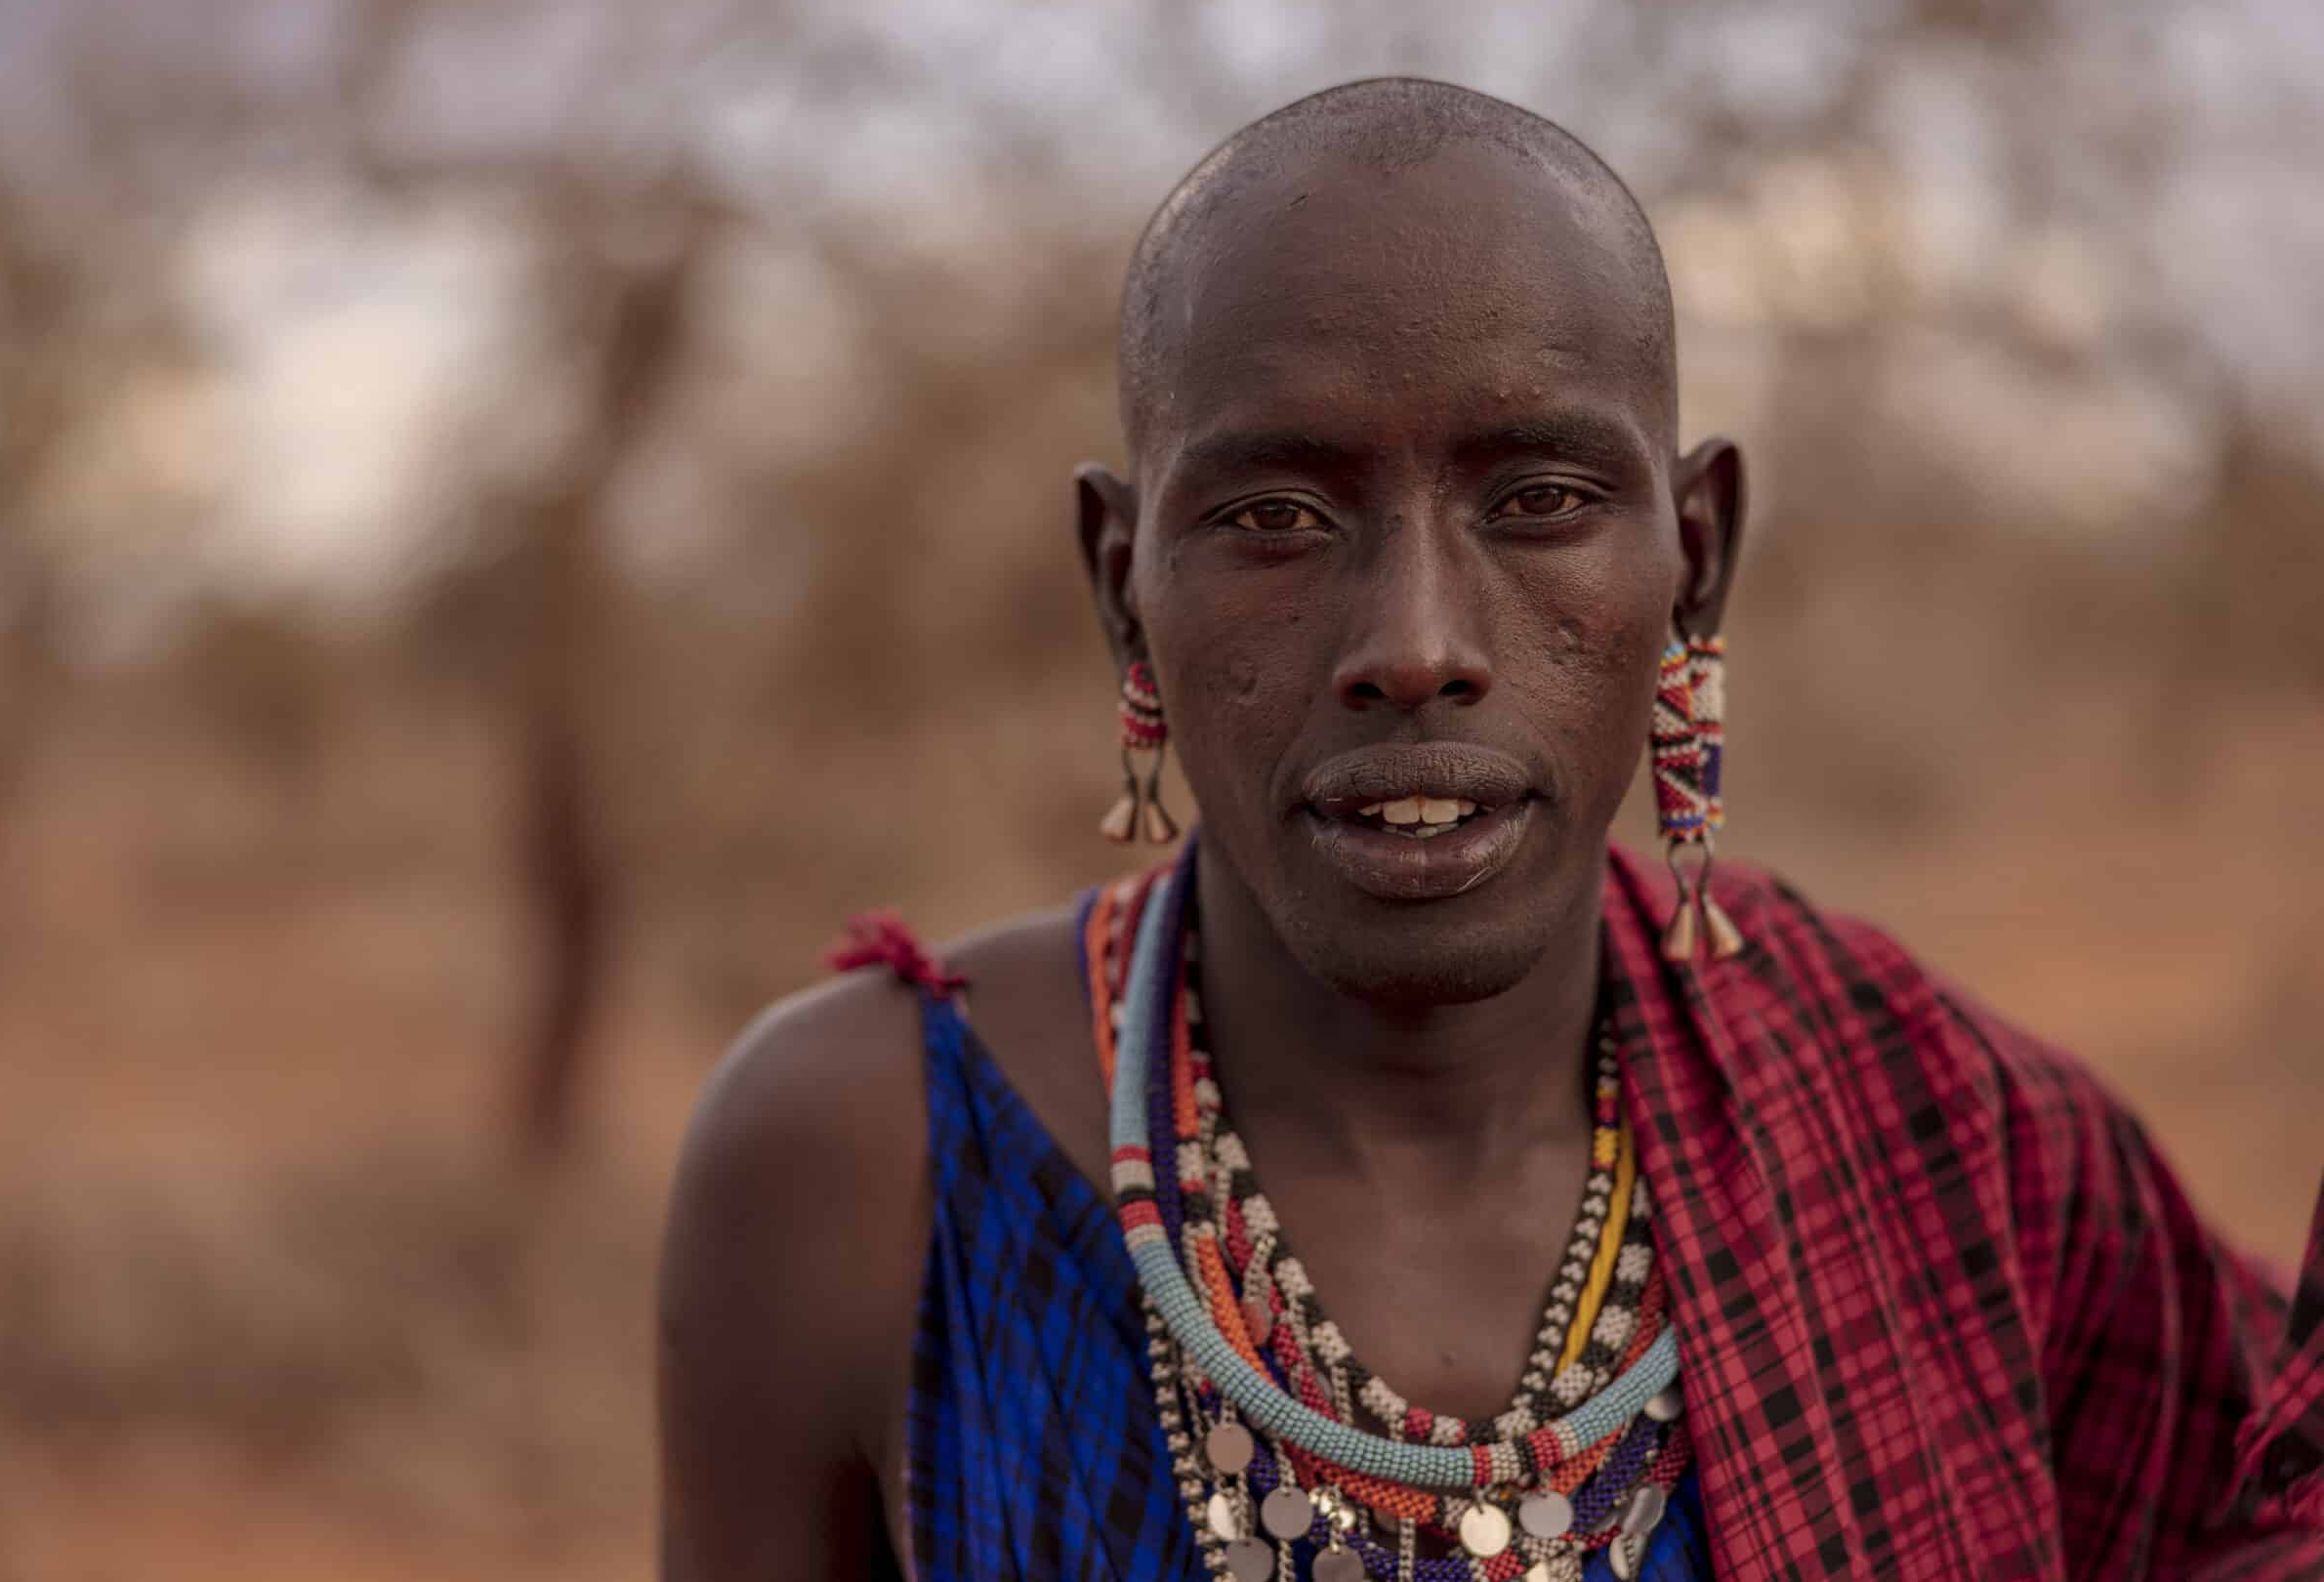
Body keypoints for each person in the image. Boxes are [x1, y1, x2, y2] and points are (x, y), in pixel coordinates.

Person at [657, 78, 2324, 1581]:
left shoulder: (1947, 1139)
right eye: (1276, 517)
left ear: (1698, 561)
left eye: (1539, 501)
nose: (1416, 643)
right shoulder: (865, 1171)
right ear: (1123, 588)